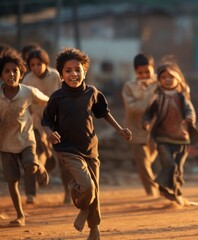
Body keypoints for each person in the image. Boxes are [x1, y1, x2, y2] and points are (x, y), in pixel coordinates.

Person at [41, 48, 132, 240]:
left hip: (91, 148)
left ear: (85, 71)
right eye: (68, 71)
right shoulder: (57, 97)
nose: (73, 74)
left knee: (95, 192)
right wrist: (50, 133)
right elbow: (46, 121)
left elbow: (103, 112)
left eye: (77, 69)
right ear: (61, 74)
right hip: (67, 149)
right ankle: (77, 193)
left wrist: (119, 128)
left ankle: (94, 229)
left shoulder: (92, 92)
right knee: (87, 187)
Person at [0, 48, 50, 227]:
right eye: (7, 71)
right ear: (1, 74)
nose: (11, 74)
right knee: (12, 182)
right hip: (5, 145)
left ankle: (39, 165)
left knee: (30, 166)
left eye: (15, 71)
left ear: (21, 74)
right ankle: (20, 215)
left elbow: (48, 101)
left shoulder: (28, 91)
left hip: (26, 141)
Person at [143, 61, 198, 207]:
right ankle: (163, 186)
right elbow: (148, 113)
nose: (167, 80)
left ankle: (175, 192)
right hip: (163, 137)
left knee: (178, 168)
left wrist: (189, 119)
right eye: (163, 77)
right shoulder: (157, 98)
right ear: (159, 80)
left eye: (171, 77)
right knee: (169, 163)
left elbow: (190, 110)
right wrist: (146, 122)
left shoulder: (182, 98)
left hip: (182, 138)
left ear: (177, 79)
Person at [22, 48, 72, 205]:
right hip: (36, 123)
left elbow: (64, 97)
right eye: (32, 65)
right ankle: (31, 194)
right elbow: (25, 104)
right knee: (31, 158)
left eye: (39, 64)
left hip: (57, 123)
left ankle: (68, 193)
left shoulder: (56, 76)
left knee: (64, 160)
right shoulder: (28, 79)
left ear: (46, 63)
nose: (36, 68)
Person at [122, 53, 159, 197]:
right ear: (135, 72)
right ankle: (151, 192)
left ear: (152, 68)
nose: (144, 75)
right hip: (134, 129)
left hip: (156, 128)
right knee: (142, 162)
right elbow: (132, 108)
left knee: (150, 158)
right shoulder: (129, 87)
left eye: (147, 71)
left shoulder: (161, 82)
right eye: (140, 72)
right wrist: (151, 102)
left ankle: (158, 184)